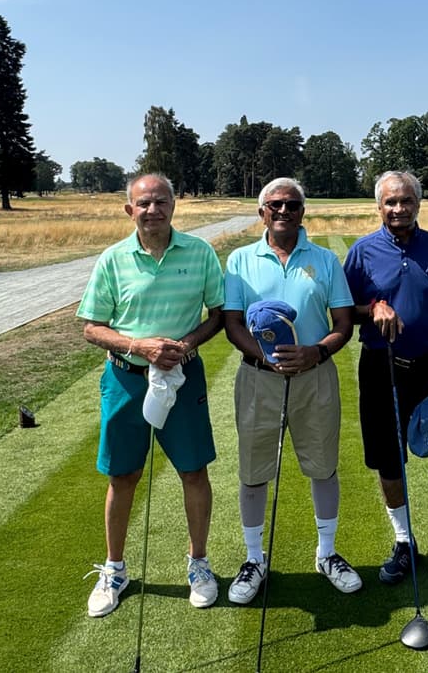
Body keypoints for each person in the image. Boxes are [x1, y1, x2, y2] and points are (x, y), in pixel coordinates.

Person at [77, 174, 226, 616]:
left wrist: (189, 344)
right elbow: (91, 326)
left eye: (161, 202)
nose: (152, 210)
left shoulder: (199, 253)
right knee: (122, 476)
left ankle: (198, 564)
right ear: (130, 210)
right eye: (143, 203)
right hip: (126, 377)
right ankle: (115, 569)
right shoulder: (112, 259)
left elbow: (217, 314)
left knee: (193, 471)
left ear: (174, 207)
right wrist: (136, 345)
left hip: (182, 376)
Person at [222, 177, 361, 604]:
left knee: (323, 467)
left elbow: (343, 324)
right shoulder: (240, 261)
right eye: (275, 205)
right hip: (258, 379)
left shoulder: (324, 260)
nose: (284, 211)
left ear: (303, 212)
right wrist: (266, 358)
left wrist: (315, 354)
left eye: (293, 205)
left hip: (314, 377)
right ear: (262, 211)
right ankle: (253, 558)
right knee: (253, 471)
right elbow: (231, 323)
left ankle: (327, 553)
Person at [343, 171, 428, 595]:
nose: (398, 209)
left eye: (406, 201)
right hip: (381, 367)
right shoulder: (361, 252)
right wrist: (374, 306)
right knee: (388, 460)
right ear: (378, 206)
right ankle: (404, 542)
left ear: (418, 203)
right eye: (390, 202)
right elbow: (342, 312)